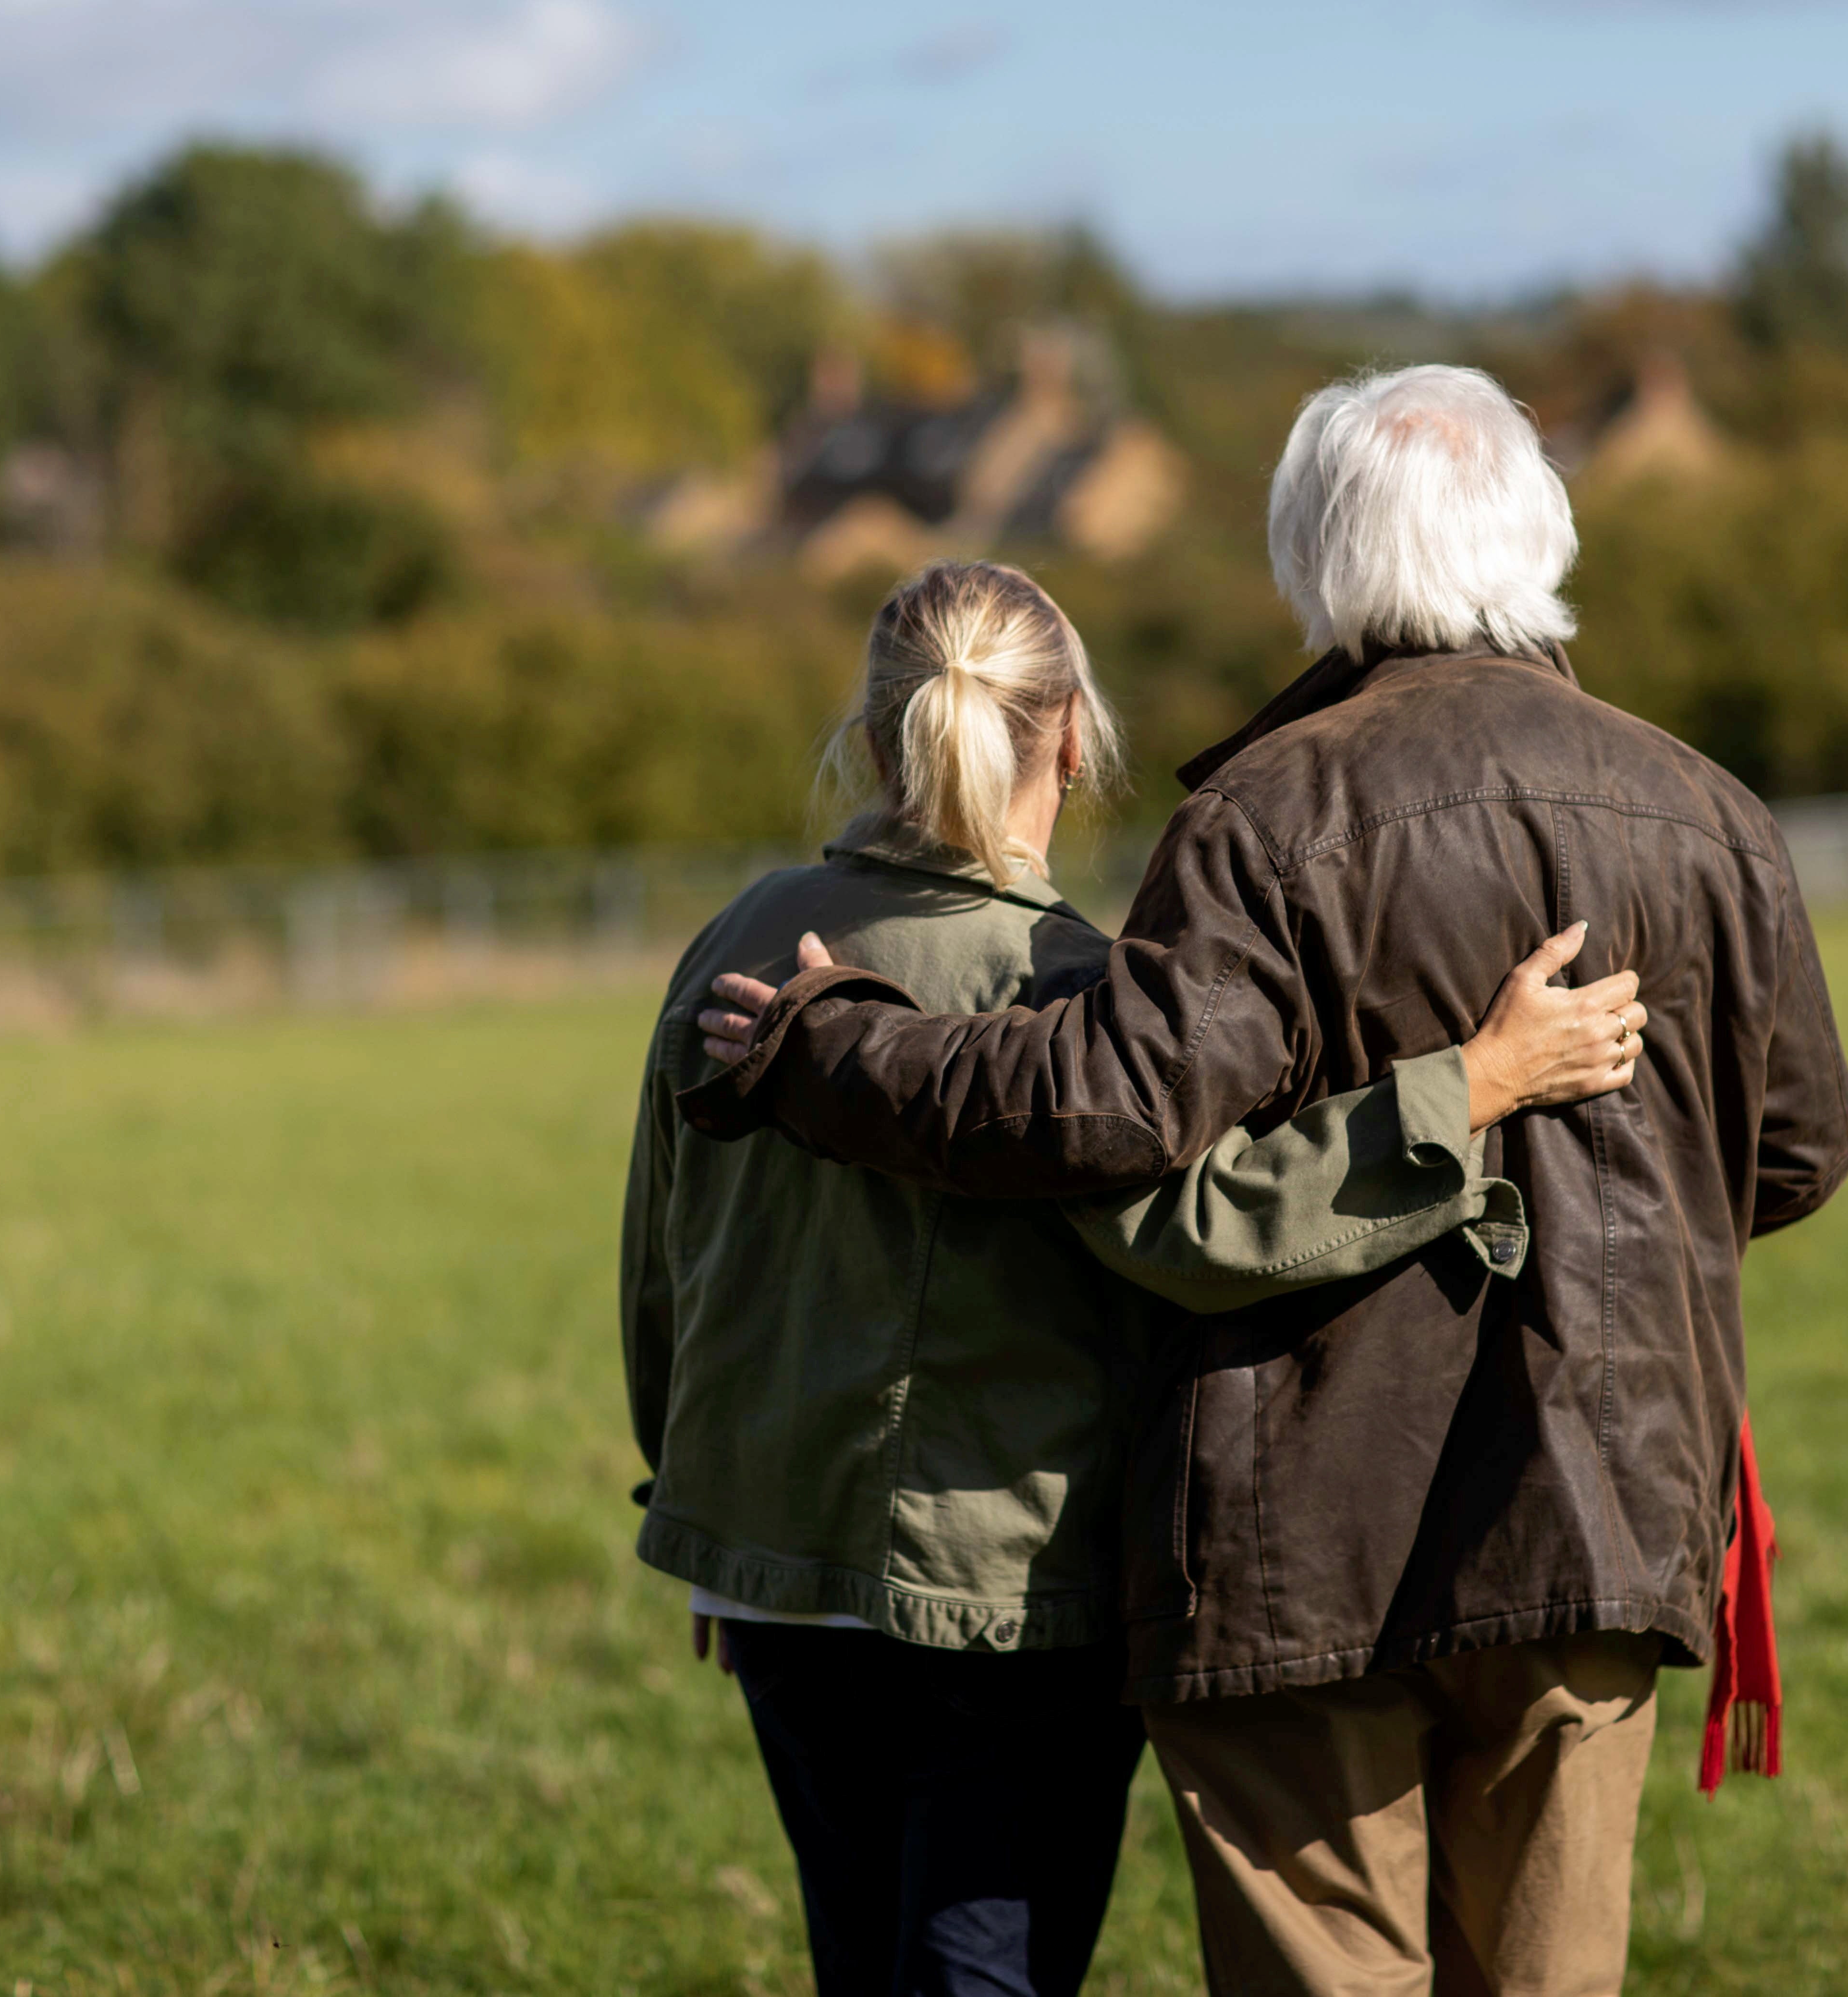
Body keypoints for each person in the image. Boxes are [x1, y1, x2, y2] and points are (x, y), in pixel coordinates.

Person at [683, 369, 1848, 1996]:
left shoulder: (1265, 810)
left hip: (1301, 1520)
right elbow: (1798, 1151)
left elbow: (1105, 1111)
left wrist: (830, 1051)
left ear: (1308, 559)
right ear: (1545, 533)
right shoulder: (1714, 815)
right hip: (1601, 1497)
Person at [626, 559, 1649, 1997]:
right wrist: (1467, 1091)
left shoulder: (732, 941)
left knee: (862, 1962)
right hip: (1006, 1582)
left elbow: (661, 1257)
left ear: (869, 740)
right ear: (1069, 736)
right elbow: (1200, 1228)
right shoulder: (1068, 984)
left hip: (768, 1552)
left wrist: (699, 1505)